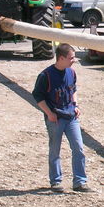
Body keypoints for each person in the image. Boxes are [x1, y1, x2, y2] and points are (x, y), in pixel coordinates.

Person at [32, 43, 90, 193]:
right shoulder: (46, 76)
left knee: (78, 148)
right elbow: (37, 96)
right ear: (61, 58)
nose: (74, 60)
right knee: (55, 151)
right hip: (55, 119)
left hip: (71, 117)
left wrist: (76, 105)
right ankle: (56, 182)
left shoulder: (71, 72)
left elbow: (73, 89)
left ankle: (80, 182)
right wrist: (49, 114)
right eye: (71, 57)